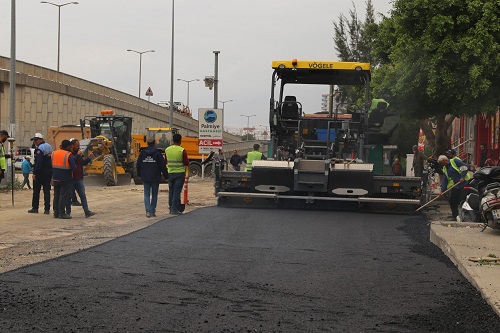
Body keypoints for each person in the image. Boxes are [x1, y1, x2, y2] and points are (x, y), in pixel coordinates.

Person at [137, 138, 169, 217]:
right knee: (154, 194)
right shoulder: (158, 153)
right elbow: (162, 166)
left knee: (146, 194)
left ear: (147, 143)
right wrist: (166, 176)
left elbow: (138, 165)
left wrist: (139, 175)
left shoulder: (142, 153)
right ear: (154, 143)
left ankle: (148, 211)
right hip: (155, 176)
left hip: (145, 176)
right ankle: (152, 211)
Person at [66, 138, 95, 218]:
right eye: (77, 146)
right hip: (71, 178)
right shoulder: (69, 154)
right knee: (69, 197)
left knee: (82, 195)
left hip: (78, 178)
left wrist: (89, 158)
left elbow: (82, 163)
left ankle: (86, 211)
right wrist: (78, 155)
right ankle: (67, 212)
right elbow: (71, 163)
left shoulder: (78, 155)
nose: (79, 147)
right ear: (72, 146)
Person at [438, 155, 471, 221]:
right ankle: (455, 216)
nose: (441, 165)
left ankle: (465, 217)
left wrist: (462, 177)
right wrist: (442, 191)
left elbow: (465, 167)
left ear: (444, 160)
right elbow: (445, 180)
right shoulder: (445, 168)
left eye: (441, 163)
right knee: (452, 201)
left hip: (464, 184)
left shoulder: (454, 161)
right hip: (456, 186)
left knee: (462, 200)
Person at [51, 139, 77, 219]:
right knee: (63, 196)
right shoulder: (69, 155)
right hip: (65, 179)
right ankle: (62, 213)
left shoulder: (54, 153)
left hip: (55, 177)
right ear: (69, 146)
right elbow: (74, 168)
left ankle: (56, 213)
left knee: (56, 196)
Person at [29, 133, 53, 214]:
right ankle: (47, 209)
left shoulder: (40, 149)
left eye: (36, 140)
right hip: (48, 172)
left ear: (41, 139)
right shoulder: (49, 146)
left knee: (36, 191)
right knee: (47, 191)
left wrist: (35, 172)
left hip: (40, 173)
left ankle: (35, 207)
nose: (35, 142)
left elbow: (39, 162)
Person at [165, 133, 189, 215]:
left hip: (170, 172)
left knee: (171, 191)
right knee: (177, 191)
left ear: (172, 140)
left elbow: (165, 161)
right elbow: (186, 162)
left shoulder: (167, 150)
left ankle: (171, 207)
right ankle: (174, 209)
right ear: (180, 141)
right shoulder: (182, 150)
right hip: (179, 173)